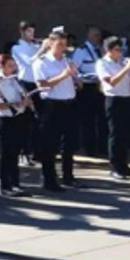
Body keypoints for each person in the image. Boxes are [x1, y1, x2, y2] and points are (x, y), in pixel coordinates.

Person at [33, 32, 79, 192]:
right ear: (50, 43)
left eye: (65, 44)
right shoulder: (42, 62)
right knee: (50, 143)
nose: (63, 48)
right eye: (59, 44)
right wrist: (63, 75)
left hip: (69, 103)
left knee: (69, 142)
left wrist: (75, 78)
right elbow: (42, 84)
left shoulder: (67, 60)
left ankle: (68, 176)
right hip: (52, 105)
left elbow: (74, 81)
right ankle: (48, 178)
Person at [95, 36, 130, 181]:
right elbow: (112, 82)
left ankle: (124, 164)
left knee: (125, 133)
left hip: (127, 98)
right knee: (115, 134)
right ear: (108, 50)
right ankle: (114, 166)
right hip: (113, 99)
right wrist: (127, 68)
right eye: (116, 50)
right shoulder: (102, 63)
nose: (120, 53)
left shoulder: (122, 62)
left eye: (121, 49)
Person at [0, 54, 32, 196]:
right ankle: (4, 184)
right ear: (1, 66)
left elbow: (23, 94)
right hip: (5, 120)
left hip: (18, 118)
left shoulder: (15, 80)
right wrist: (13, 104)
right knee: (6, 153)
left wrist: (26, 101)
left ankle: (15, 183)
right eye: (9, 65)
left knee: (15, 152)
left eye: (14, 65)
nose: (13, 68)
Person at [11, 20, 42, 166]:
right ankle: (24, 153)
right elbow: (29, 62)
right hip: (25, 84)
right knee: (25, 120)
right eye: (29, 32)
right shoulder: (17, 48)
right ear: (22, 32)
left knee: (37, 120)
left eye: (33, 32)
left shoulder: (34, 46)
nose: (32, 35)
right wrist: (42, 49)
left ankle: (36, 152)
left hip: (37, 84)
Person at [72, 26, 106, 157]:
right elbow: (74, 69)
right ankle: (90, 148)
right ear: (89, 36)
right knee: (88, 120)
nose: (97, 38)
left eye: (99, 35)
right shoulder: (81, 51)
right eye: (95, 35)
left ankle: (103, 147)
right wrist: (83, 78)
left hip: (101, 86)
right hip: (87, 87)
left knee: (102, 119)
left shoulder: (101, 50)